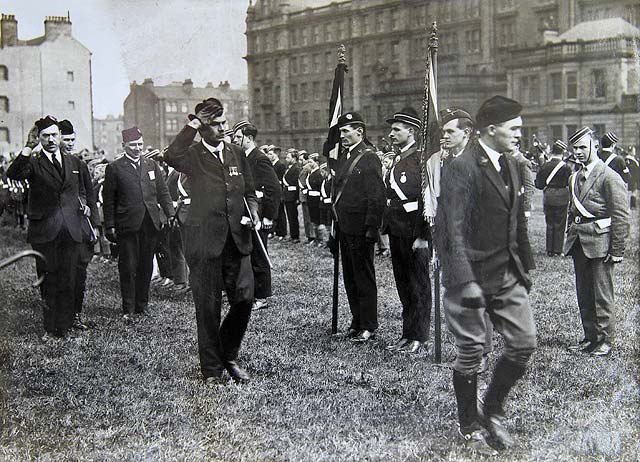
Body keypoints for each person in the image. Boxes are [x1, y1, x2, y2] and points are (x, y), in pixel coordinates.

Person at [436, 96, 536, 454]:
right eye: (514, 129)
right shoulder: (461, 167)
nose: (519, 135)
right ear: (491, 130)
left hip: (505, 272)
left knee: (524, 344)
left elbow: (515, 219)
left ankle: (492, 409)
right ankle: (469, 425)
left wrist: (525, 267)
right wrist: (465, 281)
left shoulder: (510, 163)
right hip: (470, 276)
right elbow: (453, 229)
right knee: (471, 352)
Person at [164, 98, 260, 385]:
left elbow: (250, 192)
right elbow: (171, 155)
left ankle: (228, 353)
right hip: (204, 241)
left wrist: (253, 214)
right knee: (207, 307)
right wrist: (192, 123)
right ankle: (212, 369)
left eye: (224, 123)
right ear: (204, 128)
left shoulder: (236, 153)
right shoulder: (192, 155)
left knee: (244, 297)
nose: (223, 129)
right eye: (215, 124)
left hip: (237, 238)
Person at [6, 116, 89, 340]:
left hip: (69, 230)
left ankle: (64, 326)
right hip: (45, 230)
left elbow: (78, 190)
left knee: (68, 278)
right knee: (49, 279)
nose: (51, 140)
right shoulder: (33, 162)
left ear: (60, 136)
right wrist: (27, 148)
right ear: (39, 138)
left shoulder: (73, 162)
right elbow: (13, 174)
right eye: (46, 136)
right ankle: (50, 328)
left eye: (54, 135)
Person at [564, 127, 629, 356]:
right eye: (575, 148)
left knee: (602, 293)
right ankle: (589, 336)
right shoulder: (574, 176)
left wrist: (617, 249)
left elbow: (621, 215)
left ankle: (605, 340)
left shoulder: (609, 176)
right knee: (584, 292)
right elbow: (572, 211)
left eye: (583, 147)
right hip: (579, 241)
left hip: (601, 242)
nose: (578, 152)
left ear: (594, 146)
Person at [102, 127, 174, 319]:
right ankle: (128, 308)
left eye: (140, 144)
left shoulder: (151, 165)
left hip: (150, 224)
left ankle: (142, 305)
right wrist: (109, 226)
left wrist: (170, 213)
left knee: (146, 266)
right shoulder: (115, 168)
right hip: (127, 225)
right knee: (128, 266)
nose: (137, 148)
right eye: (133, 145)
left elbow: (163, 192)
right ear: (124, 145)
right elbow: (108, 200)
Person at [332, 112, 385, 343]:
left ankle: (369, 325)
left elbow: (376, 197)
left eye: (346, 131)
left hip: (361, 228)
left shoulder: (369, 157)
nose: (341, 135)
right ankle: (357, 320)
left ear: (359, 132)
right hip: (345, 226)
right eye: (341, 131)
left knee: (363, 277)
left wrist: (372, 228)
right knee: (350, 277)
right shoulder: (345, 156)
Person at [383, 107, 431, 354]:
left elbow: (428, 200)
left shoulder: (421, 160)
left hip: (414, 231)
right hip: (397, 228)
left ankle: (419, 336)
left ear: (411, 131)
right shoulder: (398, 158)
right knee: (403, 284)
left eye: (396, 129)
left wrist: (423, 235)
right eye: (391, 129)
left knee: (418, 284)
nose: (391, 133)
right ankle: (407, 333)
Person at [232, 120, 281, 310]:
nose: (235, 140)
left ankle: (261, 297)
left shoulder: (259, 158)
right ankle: (250, 293)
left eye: (238, 137)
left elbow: (274, 189)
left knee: (259, 254)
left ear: (249, 138)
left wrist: (269, 216)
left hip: (259, 214)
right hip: (245, 212)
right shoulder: (242, 157)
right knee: (247, 253)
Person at [58, 119, 98, 330]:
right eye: (67, 140)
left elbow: (89, 195)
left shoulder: (79, 165)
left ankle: (76, 314)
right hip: (58, 229)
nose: (71, 143)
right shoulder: (50, 164)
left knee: (79, 271)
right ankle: (61, 316)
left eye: (73, 139)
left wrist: (94, 223)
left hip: (79, 228)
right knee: (61, 272)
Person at [534, 140, 572, 256]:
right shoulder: (566, 167)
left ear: (552, 151)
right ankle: (557, 250)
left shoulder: (545, 165)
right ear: (563, 152)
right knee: (560, 224)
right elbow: (569, 183)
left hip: (548, 196)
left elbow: (539, 185)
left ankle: (549, 250)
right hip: (562, 197)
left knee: (549, 223)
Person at [282, 149, 301, 243]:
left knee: (293, 217)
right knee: (290, 216)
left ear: (294, 158)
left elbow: (296, 184)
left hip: (292, 196)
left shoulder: (296, 168)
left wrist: (297, 198)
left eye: (288, 157)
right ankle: (292, 235)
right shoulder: (289, 167)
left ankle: (296, 236)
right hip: (287, 195)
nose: (286, 159)